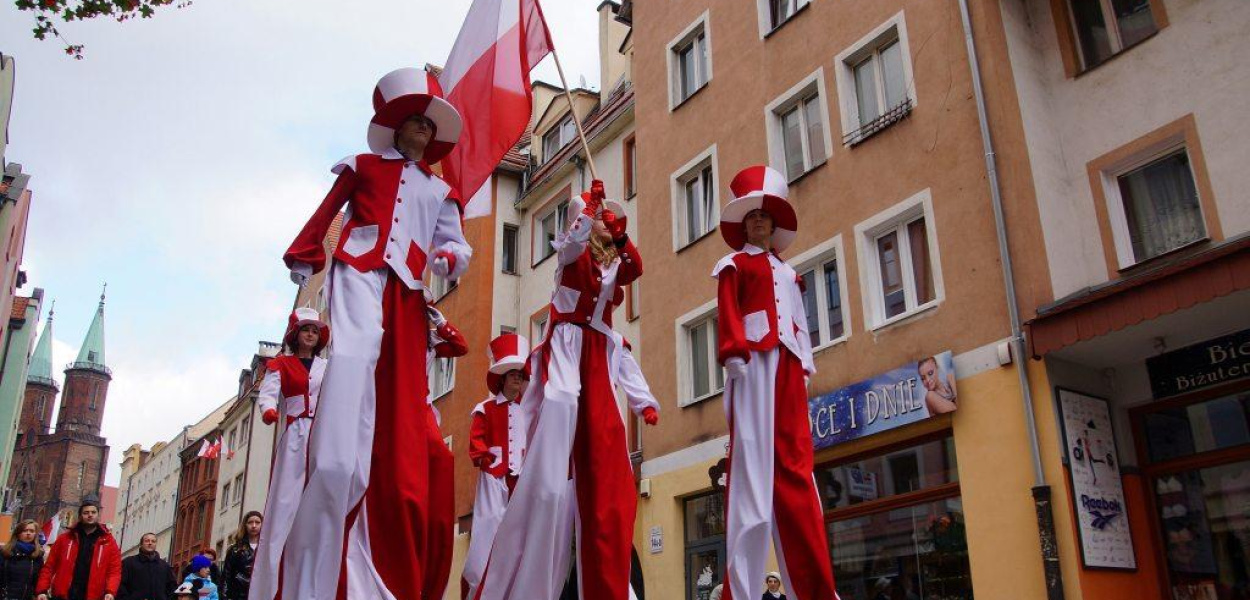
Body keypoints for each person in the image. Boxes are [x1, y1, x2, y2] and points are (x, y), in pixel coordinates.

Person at [281, 66, 471, 600]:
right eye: (419, 126)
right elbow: (325, 213)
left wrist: (450, 257)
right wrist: (304, 255)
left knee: (401, 378)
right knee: (358, 351)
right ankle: (342, 441)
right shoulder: (363, 165)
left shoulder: (440, 189)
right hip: (359, 269)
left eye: (432, 130)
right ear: (399, 127)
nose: (426, 136)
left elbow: (456, 245)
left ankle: (375, 439)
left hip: (408, 287)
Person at [474, 183, 659, 600]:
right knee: (560, 400)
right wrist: (589, 209)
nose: (601, 224)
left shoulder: (612, 270)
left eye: (606, 219)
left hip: (596, 349)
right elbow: (572, 241)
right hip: (567, 345)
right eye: (597, 218)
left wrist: (643, 402)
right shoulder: (570, 257)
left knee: (601, 438)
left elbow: (636, 268)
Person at [713, 166, 838, 600]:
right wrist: (732, 353)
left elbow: (801, 324)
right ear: (744, 225)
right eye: (751, 218)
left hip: (785, 365)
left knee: (795, 469)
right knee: (751, 471)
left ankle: (815, 588)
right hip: (752, 361)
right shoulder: (734, 264)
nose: (758, 222)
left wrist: (805, 365)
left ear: (774, 224)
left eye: (764, 217)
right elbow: (727, 309)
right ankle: (743, 590)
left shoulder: (789, 273)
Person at [249, 307, 329, 600]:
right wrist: (268, 409)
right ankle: (272, 582)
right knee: (285, 498)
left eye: (315, 331)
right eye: (306, 329)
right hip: (295, 433)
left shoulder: (326, 367)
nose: (310, 334)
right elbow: (270, 392)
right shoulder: (281, 364)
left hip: (322, 433)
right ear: (296, 334)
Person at [460, 333, 530, 600]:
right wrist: (483, 457)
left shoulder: (529, 409)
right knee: (487, 532)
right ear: (502, 378)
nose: (517, 378)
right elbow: (476, 438)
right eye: (513, 374)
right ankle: (478, 589)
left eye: (520, 375)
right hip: (494, 477)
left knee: (519, 536)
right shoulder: (485, 408)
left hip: (521, 480)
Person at [36, 497, 122, 600]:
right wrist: (42, 590)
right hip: (64, 595)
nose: (90, 515)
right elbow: (50, 566)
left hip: (94, 596)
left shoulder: (108, 542)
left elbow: (114, 570)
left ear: (98, 515)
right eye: (86, 513)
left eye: (93, 512)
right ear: (80, 516)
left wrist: (110, 591)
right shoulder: (64, 539)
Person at [116, 532, 176, 600]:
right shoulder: (129, 563)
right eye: (147, 541)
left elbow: (172, 587)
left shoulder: (164, 566)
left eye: (153, 541)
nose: (150, 543)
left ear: (156, 544)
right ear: (141, 544)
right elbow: (120, 586)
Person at [1, 519, 45, 600]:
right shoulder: (6, 552)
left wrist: (41, 592)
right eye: (25, 530)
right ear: (18, 533)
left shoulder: (37, 555)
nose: (28, 533)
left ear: (35, 534)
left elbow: (39, 577)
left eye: (31, 531)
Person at [222, 512, 261, 600]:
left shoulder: (267, 548)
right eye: (250, 522)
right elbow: (226, 576)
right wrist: (225, 597)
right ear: (245, 525)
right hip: (239, 595)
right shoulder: (235, 550)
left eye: (257, 522)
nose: (254, 525)